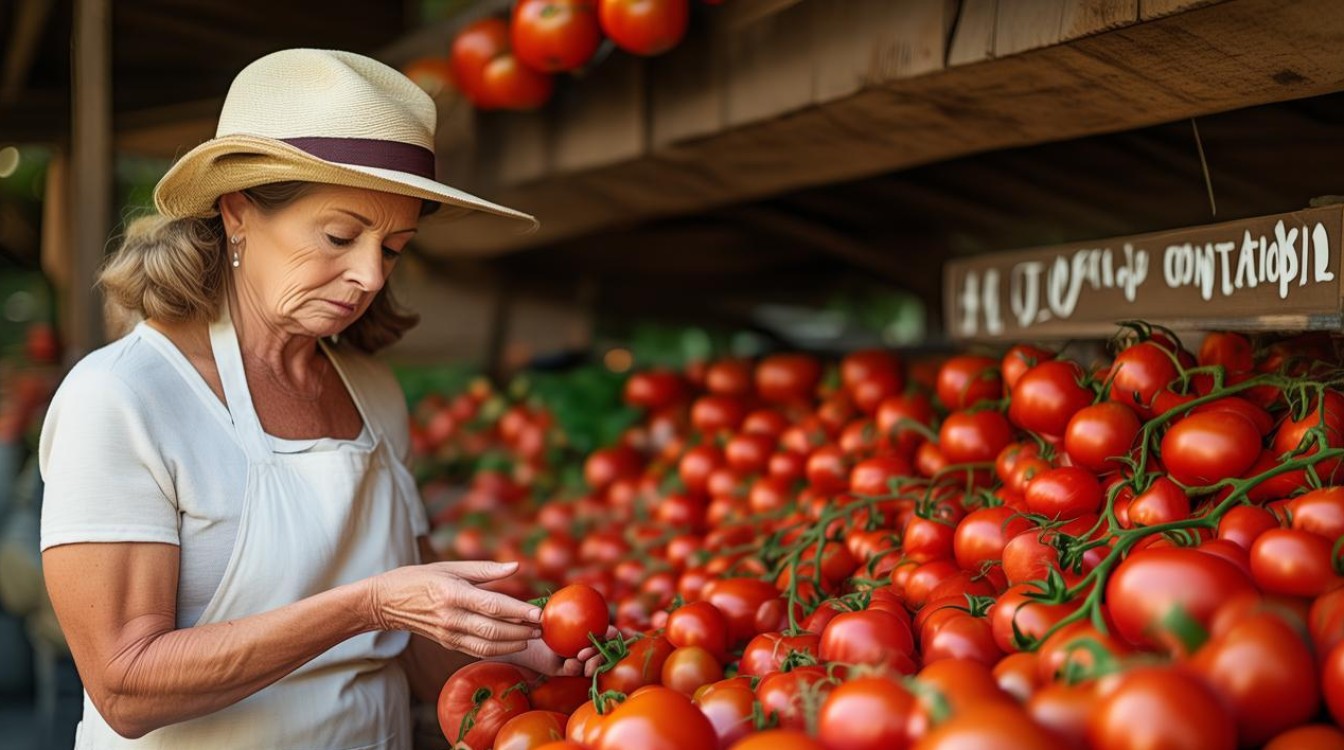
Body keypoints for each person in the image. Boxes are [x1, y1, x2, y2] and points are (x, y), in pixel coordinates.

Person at [39, 49, 595, 749]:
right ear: (237, 212)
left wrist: (522, 652)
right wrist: (369, 605)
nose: (370, 276)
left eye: (393, 247)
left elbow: (423, 653)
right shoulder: (123, 398)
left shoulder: (373, 392)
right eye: (339, 236)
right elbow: (127, 687)